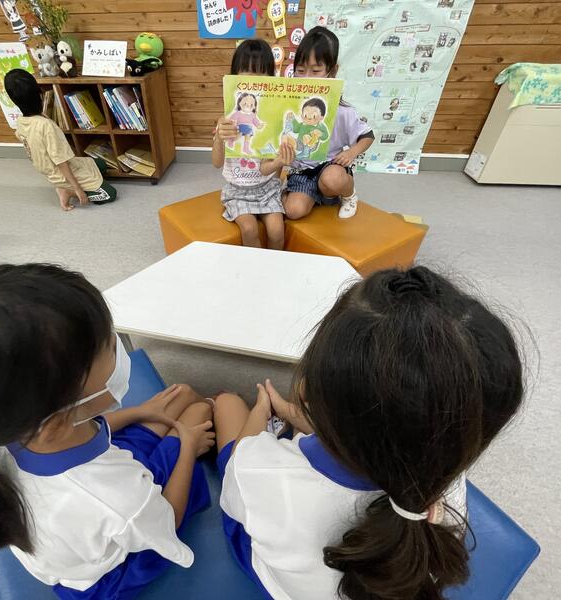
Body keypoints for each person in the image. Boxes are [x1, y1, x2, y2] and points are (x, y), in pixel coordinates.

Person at [0, 264, 216, 599]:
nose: (118, 347)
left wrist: (140, 412)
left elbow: (90, 431)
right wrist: (187, 446)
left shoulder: (13, 432)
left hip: (102, 487)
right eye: (110, 348)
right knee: (198, 411)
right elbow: (169, 518)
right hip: (116, 566)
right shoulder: (113, 498)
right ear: (56, 422)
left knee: (181, 397)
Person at [214, 266, 525, 599]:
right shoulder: (441, 483)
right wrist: (310, 421)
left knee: (228, 404)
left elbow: (237, 482)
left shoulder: (262, 472)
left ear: (308, 392)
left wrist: (261, 411)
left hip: (281, 587)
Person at [284, 26, 376, 220]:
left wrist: (351, 152)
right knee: (293, 211)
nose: (307, 78)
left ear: (332, 71)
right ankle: (311, 195)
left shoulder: (343, 111)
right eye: (300, 70)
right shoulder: (291, 106)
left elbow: (367, 136)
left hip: (330, 167)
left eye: (316, 71)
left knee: (332, 180)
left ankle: (349, 195)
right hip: (302, 172)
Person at [213, 40, 290, 250]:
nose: (254, 80)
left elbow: (266, 168)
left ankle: (274, 264)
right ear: (234, 76)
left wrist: (279, 162)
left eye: (262, 74)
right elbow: (217, 163)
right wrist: (219, 137)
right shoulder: (228, 120)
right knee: (249, 230)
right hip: (237, 190)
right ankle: (253, 267)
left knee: (277, 231)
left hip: (266, 188)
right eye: (247, 72)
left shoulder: (269, 120)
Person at [4, 69, 117, 211]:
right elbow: (61, 162)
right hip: (62, 173)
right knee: (110, 194)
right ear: (40, 94)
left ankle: (68, 186)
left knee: (101, 165)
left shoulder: (21, 121)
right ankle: (66, 190)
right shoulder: (46, 125)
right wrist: (77, 189)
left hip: (57, 169)